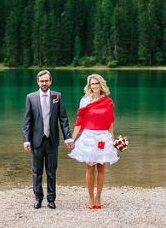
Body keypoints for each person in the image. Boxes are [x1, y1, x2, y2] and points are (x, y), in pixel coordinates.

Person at [23, 70, 74, 210]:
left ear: (50, 81)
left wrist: (67, 137)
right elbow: (27, 121)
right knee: (36, 171)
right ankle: (38, 198)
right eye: (41, 81)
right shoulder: (31, 97)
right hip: (36, 141)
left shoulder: (57, 96)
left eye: (46, 81)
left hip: (52, 140)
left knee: (51, 171)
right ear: (37, 82)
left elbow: (63, 119)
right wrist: (26, 140)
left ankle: (51, 199)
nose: (44, 83)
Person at [68, 73, 119, 209]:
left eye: (97, 83)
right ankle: (91, 197)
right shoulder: (84, 100)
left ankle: (98, 197)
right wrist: (72, 138)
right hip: (89, 136)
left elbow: (110, 121)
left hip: (103, 135)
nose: (95, 86)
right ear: (89, 86)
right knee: (90, 167)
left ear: (101, 85)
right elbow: (79, 121)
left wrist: (112, 138)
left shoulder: (107, 101)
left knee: (101, 167)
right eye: (92, 84)